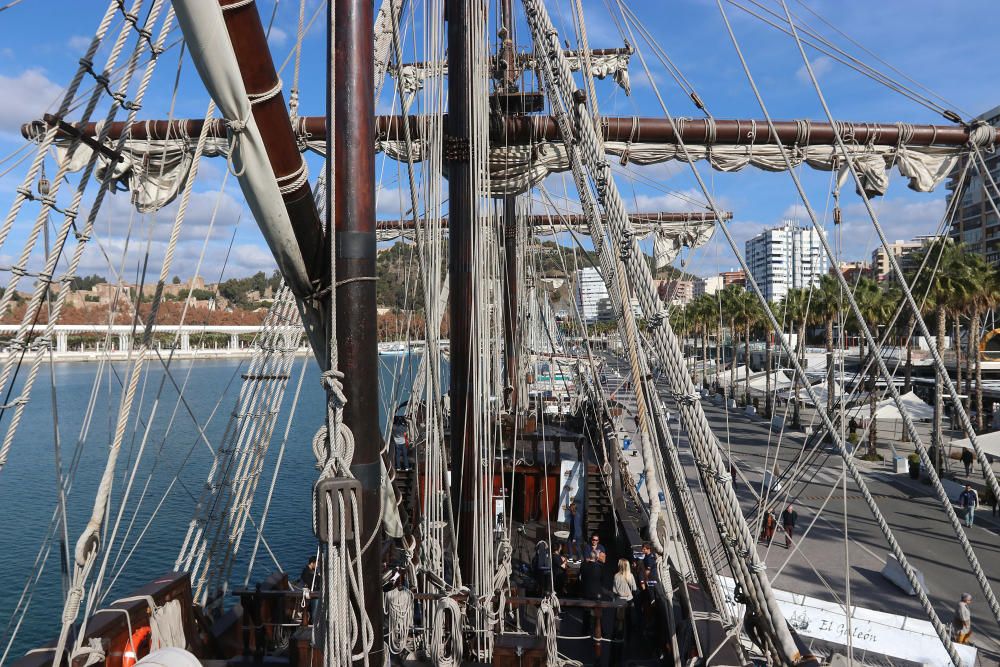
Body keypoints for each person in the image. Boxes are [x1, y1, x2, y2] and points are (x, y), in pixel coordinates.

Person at [299, 555, 322, 624]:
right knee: (315, 613)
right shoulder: (306, 572)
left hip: (315, 592)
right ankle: (314, 624)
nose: (317, 566)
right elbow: (309, 582)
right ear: (312, 563)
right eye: (316, 564)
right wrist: (318, 577)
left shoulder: (313, 571)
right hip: (313, 594)